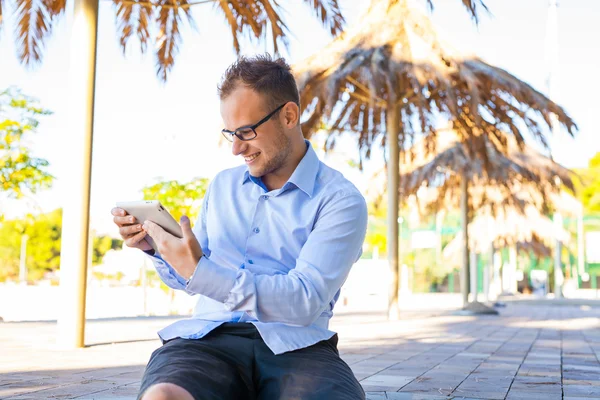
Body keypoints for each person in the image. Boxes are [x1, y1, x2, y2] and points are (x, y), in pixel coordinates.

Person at [111, 55, 368, 400]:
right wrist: (157, 248)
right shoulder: (222, 186)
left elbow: (304, 300)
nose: (235, 148)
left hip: (298, 346)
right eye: (231, 133)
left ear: (289, 116)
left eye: (246, 132)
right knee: (164, 396)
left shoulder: (340, 200)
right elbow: (189, 279)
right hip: (208, 339)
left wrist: (201, 270)